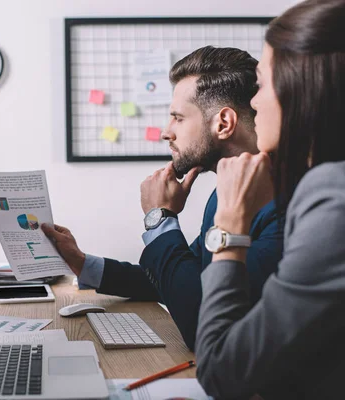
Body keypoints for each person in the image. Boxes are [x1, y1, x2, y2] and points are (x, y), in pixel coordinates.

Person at [42, 46, 284, 351]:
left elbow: (204, 326)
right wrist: (82, 263)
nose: (166, 133)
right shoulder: (225, 191)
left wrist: (160, 218)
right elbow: (183, 277)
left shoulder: (285, 205)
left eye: (178, 118)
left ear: (223, 123)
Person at [194, 1, 345, 398]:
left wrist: (229, 226)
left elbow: (222, 369)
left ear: (302, 86)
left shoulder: (333, 195)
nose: (255, 102)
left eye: (262, 83)